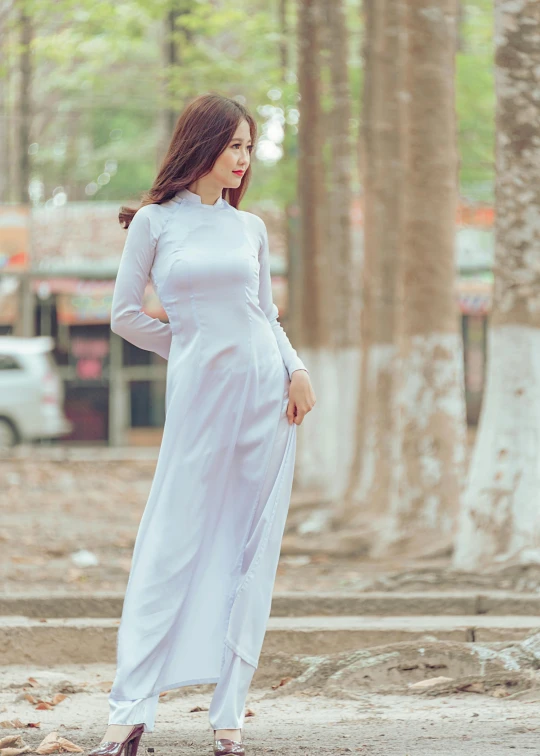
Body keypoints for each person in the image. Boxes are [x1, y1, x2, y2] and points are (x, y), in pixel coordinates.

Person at [87, 93, 316, 756]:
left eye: (250, 148)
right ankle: (129, 710)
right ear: (202, 143)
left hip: (267, 397)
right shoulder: (155, 223)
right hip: (200, 400)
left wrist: (294, 368)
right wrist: (188, 347)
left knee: (251, 551)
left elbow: (264, 314)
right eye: (234, 145)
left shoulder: (252, 230)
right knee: (169, 543)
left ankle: (229, 719)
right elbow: (125, 316)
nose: (244, 160)